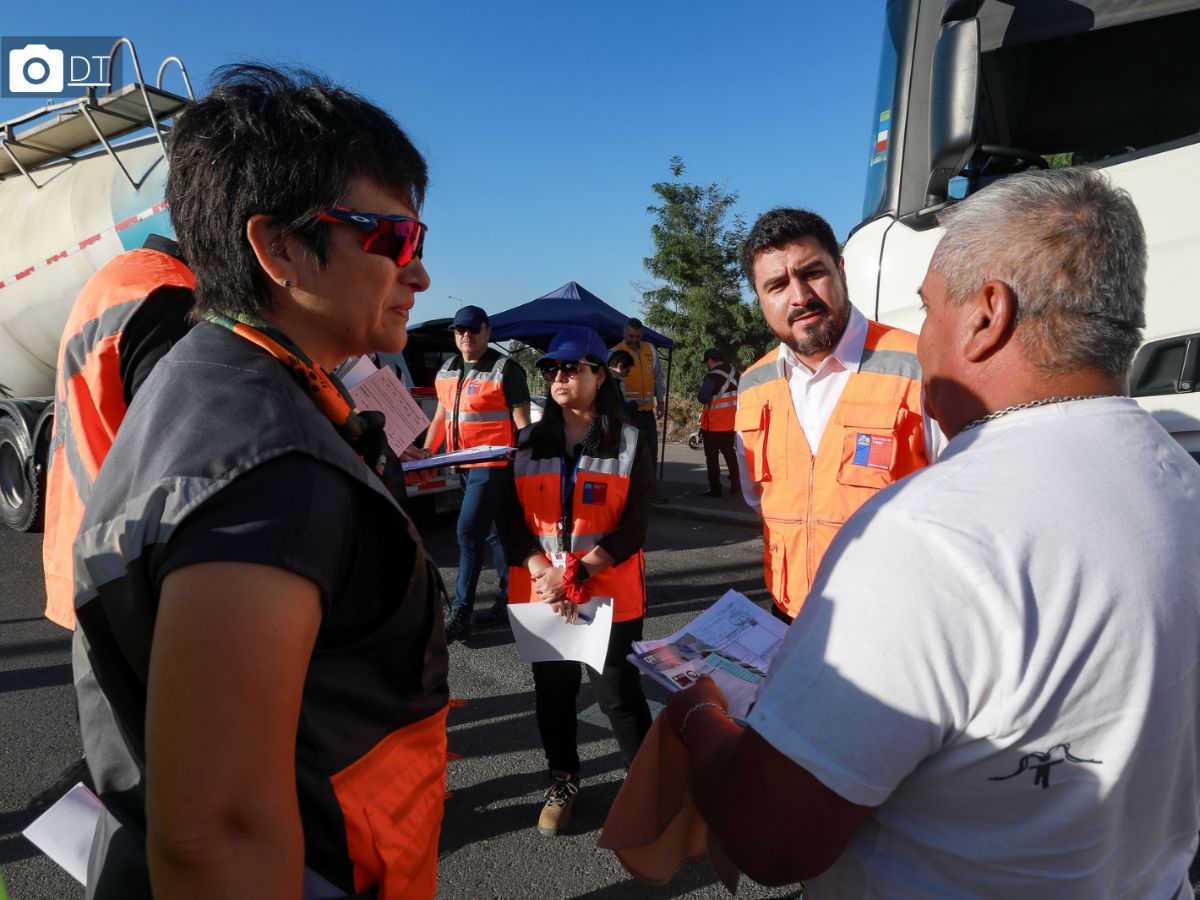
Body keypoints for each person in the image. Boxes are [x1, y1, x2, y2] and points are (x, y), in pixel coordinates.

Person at [667, 168, 1200, 897]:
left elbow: (774, 838)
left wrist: (697, 717)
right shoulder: (1178, 475)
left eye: (928, 308)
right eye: (775, 284)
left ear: (987, 315)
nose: (921, 340)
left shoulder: (924, 535)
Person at [71, 65, 449, 899]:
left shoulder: (216, 381)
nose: (419, 273)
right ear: (277, 247)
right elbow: (221, 837)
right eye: (396, 239)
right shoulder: (269, 466)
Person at [736, 208, 943, 622]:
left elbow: (963, 500)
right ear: (760, 299)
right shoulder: (753, 384)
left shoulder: (921, 364)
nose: (800, 296)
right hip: (789, 615)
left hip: (892, 619)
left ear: (841, 270)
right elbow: (758, 499)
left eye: (812, 273)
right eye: (777, 285)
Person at [498, 325, 654, 837]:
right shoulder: (525, 442)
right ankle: (563, 778)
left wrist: (580, 572)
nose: (558, 376)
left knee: (618, 696)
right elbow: (509, 519)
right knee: (553, 693)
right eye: (550, 369)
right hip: (543, 595)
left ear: (599, 375)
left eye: (570, 367)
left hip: (608, 594)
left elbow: (635, 524)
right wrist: (543, 571)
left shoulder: (630, 440)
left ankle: (646, 787)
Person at [41, 235, 195, 632]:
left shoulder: (122, 278)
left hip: (92, 552)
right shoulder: (170, 297)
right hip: (126, 567)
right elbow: (184, 462)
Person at [424, 305, 530, 639]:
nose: (466, 335)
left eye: (472, 329)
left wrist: (528, 465)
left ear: (487, 331)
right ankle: (511, 597)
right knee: (493, 533)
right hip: (463, 465)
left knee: (468, 531)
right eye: (460, 330)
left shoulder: (506, 370)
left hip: (494, 466)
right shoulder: (447, 369)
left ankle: (461, 612)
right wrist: (427, 454)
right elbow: (441, 417)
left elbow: (523, 424)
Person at [610, 317, 666, 498]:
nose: (634, 340)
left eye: (638, 336)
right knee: (629, 453)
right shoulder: (615, 352)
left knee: (652, 451)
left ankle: (651, 491)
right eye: (631, 336)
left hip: (647, 411)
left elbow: (658, 376)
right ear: (624, 333)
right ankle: (628, 492)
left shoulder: (650, 349)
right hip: (628, 412)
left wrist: (660, 401)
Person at [695, 348, 740, 498]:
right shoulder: (736, 374)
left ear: (710, 360)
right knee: (729, 453)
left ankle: (715, 489)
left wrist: (700, 390)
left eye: (706, 362)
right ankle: (736, 483)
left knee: (712, 458)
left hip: (713, 425)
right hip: (731, 423)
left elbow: (703, 398)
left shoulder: (712, 376)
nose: (707, 365)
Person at [607, 348, 640, 419]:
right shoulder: (612, 382)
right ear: (620, 366)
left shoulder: (604, 377)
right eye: (627, 371)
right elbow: (620, 409)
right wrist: (636, 404)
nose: (627, 374)